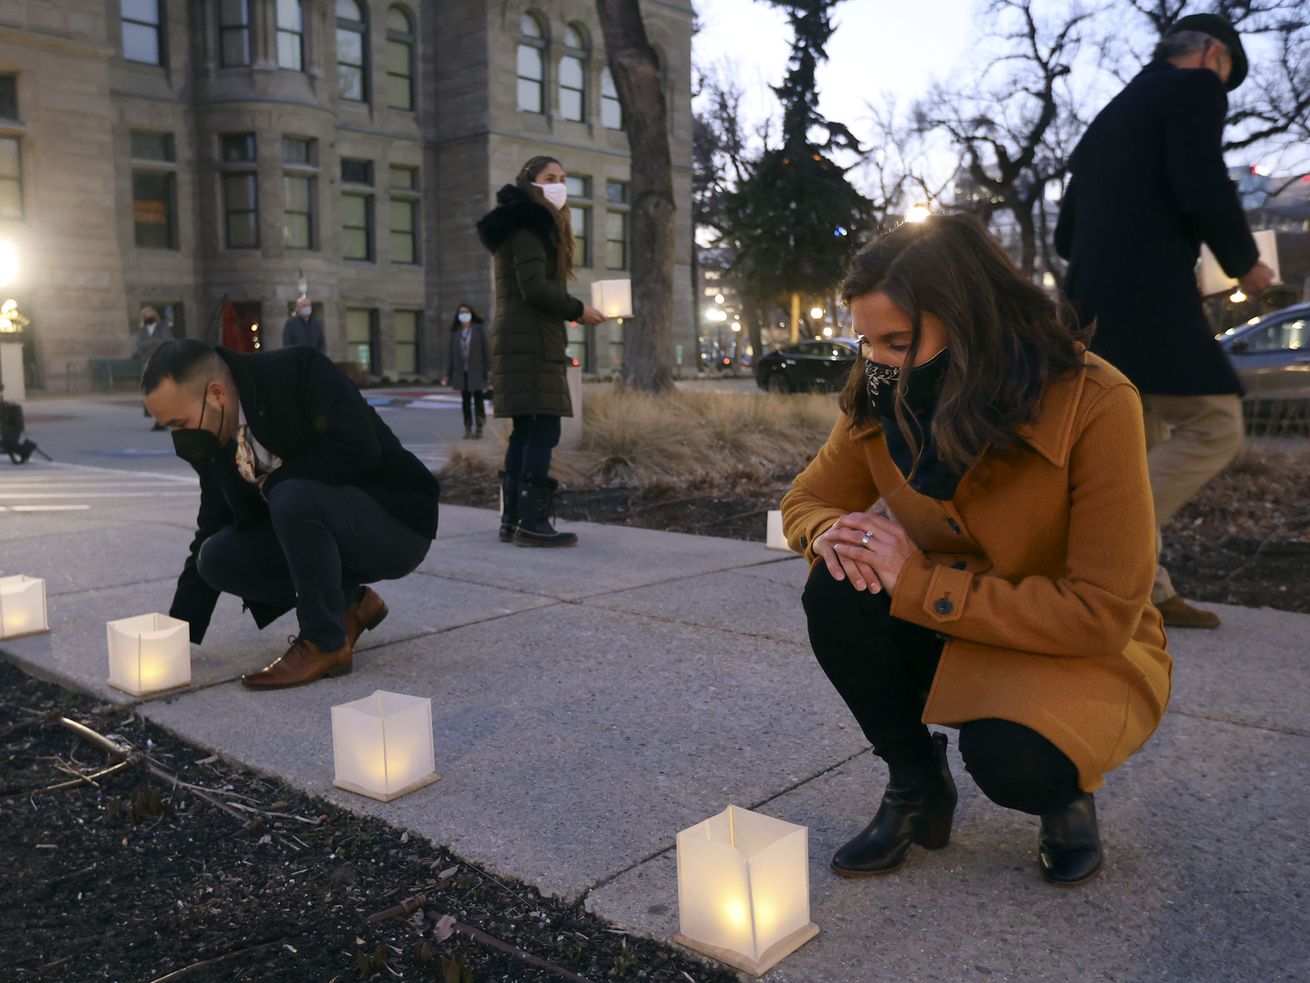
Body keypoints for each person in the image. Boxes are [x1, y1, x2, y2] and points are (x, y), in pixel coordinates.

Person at [782, 216, 1171, 887]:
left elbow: (1102, 611)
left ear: (968, 320)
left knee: (1011, 760)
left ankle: (1064, 795)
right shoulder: (883, 398)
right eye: (865, 340)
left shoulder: (1094, 399)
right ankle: (916, 783)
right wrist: (828, 533)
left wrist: (919, 581)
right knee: (835, 587)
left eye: (896, 340)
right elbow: (804, 502)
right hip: (951, 619)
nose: (875, 359)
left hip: (1071, 644)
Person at [1054, 14, 1276, 629]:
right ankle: (1103, 534)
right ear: (1211, 55)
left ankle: (1145, 586)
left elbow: (1065, 233)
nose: (1222, 91)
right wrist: (1245, 263)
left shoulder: (1110, 115)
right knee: (1216, 424)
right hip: (1151, 299)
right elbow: (1202, 183)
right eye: (1227, 74)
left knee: (1135, 438)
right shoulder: (1192, 88)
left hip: (1090, 307)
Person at [141, 339, 439, 689]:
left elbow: (359, 449)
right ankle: (351, 605)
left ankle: (325, 643)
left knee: (291, 495)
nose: (179, 437)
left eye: (180, 423)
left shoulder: (296, 372)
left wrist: (280, 480)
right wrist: (178, 630)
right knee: (216, 558)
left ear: (217, 394)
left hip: (394, 522)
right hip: (317, 526)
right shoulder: (214, 437)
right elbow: (213, 521)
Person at [476, 155, 606, 547]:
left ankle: (513, 520)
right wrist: (577, 310)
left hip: (523, 337)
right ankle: (531, 523)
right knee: (543, 429)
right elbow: (533, 286)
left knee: (526, 431)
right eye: (550, 177)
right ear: (530, 182)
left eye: (563, 178)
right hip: (529, 340)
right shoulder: (530, 225)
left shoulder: (518, 224)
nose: (559, 184)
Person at [442, 304, 490, 440]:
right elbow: (451, 355)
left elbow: (486, 351)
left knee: (479, 400)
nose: (464, 314)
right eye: (461, 312)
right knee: (466, 401)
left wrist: (488, 370)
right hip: (461, 372)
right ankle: (468, 427)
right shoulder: (455, 333)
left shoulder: (478, 330)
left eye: (466, 312)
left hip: (477, 370)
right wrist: (448, 374)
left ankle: (479, 427)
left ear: (471, 313)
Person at [136, 307, 171, 431]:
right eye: (145, 314)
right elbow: (140, 344)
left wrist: (151, 342)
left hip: (161, 362)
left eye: (150, 313)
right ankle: (156, 419)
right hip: (147, 364)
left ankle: (162, 420)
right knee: (150, 392)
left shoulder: (163, 328)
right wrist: (155, 342)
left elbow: (166, 342)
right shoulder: (142, 330)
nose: (148, 316)